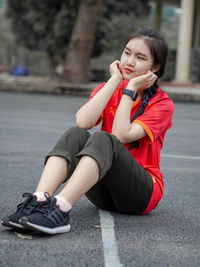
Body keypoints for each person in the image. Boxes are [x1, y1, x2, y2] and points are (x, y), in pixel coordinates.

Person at [1, 28, 174, 235]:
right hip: (104, 192)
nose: (129, 61)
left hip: (140, 195)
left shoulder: (162, 104)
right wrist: (114, 81)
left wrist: (131, 89)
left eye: (140, 57)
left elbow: (120, 135)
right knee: (76, 134)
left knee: (104, 138)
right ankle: (38, 200)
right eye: (127, 53)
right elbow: (83, 121)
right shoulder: (111, 88)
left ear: (155, 67)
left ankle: (60, 209)